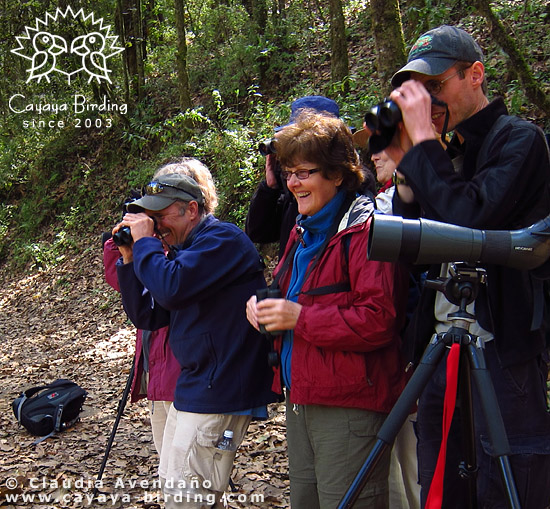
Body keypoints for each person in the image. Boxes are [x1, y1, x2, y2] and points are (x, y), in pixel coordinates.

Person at [385, 24, 550, 508]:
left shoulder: (519, 140)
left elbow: (470, 222)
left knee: (511, 478)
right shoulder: (445, 149)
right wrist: (409, 168)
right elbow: (415, 248)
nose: (427, 101)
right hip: (442, 341)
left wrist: (423, 146)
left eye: (435, 86)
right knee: (441, 481)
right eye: (417, 91)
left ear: (475, 74)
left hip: (503, 345)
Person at [246, 110, 410, 508]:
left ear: (337, 174)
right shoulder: (303, 231)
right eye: (289, 172)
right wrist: (261, 308)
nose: (293, 183)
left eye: (304, 172)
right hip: (302, 395)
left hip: (350, 405)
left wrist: (298, 318)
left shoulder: (369, 230)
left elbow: (378, 320)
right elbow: (291, 295)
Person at [112, 159, 277, 508]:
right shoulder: (187, 251)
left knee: (185, 497)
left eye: (162, 215)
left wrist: (145, 245)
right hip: (197, 384)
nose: (156, 225)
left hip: (219, 387)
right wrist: (129, 258)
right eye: (150, 218)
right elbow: (149, 314)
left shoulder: (222, 240)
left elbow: (170, 288)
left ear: (191, 209)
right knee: (183, 491)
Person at [245, 95, 341, 258]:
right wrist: (269, 188)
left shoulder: (354, 209)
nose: (293, 182)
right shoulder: (292, 197)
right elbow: (257, 233)